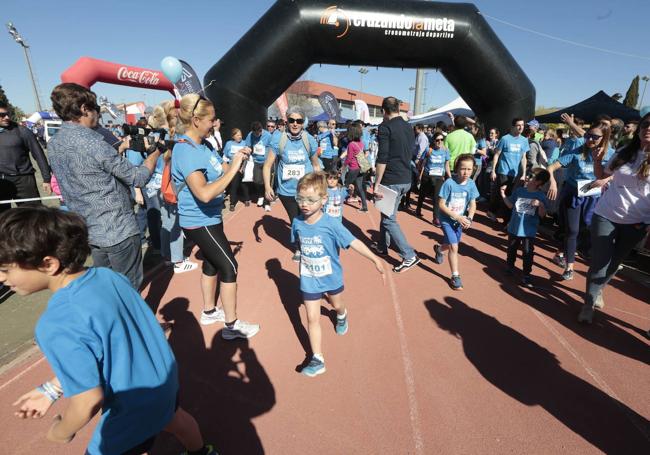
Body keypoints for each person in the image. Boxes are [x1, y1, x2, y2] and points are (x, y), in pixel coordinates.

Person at [1, 207, 216, 455]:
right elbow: (104, 347)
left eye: (6, 269)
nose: (2, 277)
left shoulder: (55, 324)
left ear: (48, 264)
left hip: (133, 407)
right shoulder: (107, 277)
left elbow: (87, 400)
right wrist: (50, 390)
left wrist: (61, 432)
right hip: (164, 380)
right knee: (174, 418)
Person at [48, 83, 160, 289]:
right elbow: (137, 177)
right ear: (84, 109)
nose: (98, 115)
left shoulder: (54, 143)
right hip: (117, 229)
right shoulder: (93, 143)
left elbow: (90, 168)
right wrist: (155, 154)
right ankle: (131, 322)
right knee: (128, 289)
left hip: (89, 229)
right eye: (96, 109)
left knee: (107, 289)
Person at [171, 94, 259, 337]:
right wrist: (232, 171)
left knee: (211, 263)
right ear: (196, 120)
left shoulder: (205, 145)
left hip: (210, 218)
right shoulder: (185, 150)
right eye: (211, 119)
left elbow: (222, 170)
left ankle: (209, 312)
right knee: (229, 266)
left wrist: (238, 159)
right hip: (198, 220)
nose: (215, 123)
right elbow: (204, 193)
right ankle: (232, 326)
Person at [291, 172, 385, 376]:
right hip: (309, 279)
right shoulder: (297, 222)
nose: (304, 204)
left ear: (324, 199)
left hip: (331, 276)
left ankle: (341, 315)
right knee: (311, 317)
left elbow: (354, 242)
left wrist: (375, 259)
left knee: (336, 304)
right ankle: (317, 358)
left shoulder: (331, 224)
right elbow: (298, 243)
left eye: (310, 199)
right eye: (300, 199)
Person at [577, 113, 650, 323]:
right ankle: (588, 305)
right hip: (606, 214)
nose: (648, 128)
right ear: (639, 129)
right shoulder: (624, 152)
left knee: (615, 263)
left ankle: (598, 288)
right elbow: (602, 176)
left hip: (637, 222)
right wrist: (598, 160)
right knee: (600, 261)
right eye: (645, 124)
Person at [547, 125, 612, 280]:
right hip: (573, 194)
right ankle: (569, 267)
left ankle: (561, 251)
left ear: (604, 138)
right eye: (588, 135)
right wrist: (552, 182)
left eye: (595, 137)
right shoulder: (577, 151)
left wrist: (605, 180)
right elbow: (551, 167)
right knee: (573, 230)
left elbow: (619, 173)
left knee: (584, 229)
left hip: (594, 197)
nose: (590, 139)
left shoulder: (610, 154)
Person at [263, 106, 320, 262]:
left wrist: (321, 187)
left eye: (299, 121)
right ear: (286, 121)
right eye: (292, 120)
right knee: (295, 220)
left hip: (306, 190)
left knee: (308, 218)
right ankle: (299, 248)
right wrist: (267, 186)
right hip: (286, 191)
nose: (295, 124)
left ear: (303, 122)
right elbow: (268, 165)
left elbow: (316, 165)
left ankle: (309, 244)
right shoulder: (278, 139)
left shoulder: (309, 139)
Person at [372, 96, 420, 273]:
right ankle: (383, 246)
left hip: (392, 180)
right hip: (406, 178)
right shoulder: (408, 127)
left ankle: (409, 255)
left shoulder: (385, 127)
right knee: (386, 214)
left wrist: (376, 182)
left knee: (388, 219)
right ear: (398, 109)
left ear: (384, 110)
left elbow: (382, 156)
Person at [432, 154, 479, 290]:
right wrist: (457, 217)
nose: (466, 172)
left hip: (460, 221)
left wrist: (469, 218)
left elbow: (473, 204)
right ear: (456, 168)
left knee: (450, 244)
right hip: (447, 219)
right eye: (463, 169)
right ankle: (455, 276)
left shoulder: (471, 184)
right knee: (454, 247)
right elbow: (441, 204)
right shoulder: (449, 183)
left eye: (469, 169)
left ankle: (439, 249)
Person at [0, 100, 52, 214]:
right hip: (2, 182)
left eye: (8, 114)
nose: (7, 117)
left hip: (24, 180)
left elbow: (39, 155)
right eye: (2, 115)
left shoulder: (22, 131)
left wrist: (46, 179)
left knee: (34, 216)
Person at [501, 168, 550, 287]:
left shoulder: (540, 196)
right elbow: (510, 205)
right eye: (528, 174)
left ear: (538, 182)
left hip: (529, 230)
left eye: (531, 175)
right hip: (514, 227)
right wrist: (503, 194)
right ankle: (510, 266)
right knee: (512, 248)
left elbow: (543, 215)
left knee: (528, 252)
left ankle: (526, 274)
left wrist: (541, 204)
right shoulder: (519, 191)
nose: (527, 176)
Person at [487, 118, 529, 225]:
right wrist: (493, 171)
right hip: (504, 171)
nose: (521, 127)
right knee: (503, 193)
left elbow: (524, 158)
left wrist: (524, 173)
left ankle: (505, 218)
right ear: (513, 126)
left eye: (522, 125)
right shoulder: (505, 139)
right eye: (518, 125)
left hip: (516, 173)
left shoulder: (524, 140)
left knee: (511, 195)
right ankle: (496, 214)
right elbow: (497, 154)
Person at [415, 132, 451, 226]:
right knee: (422, 193)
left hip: (439, 177)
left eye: (441, 140)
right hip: (427, 175)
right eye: (437, 140)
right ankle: (418, 208)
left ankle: (436, 218)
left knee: (437, 197)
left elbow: (446, 165)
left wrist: (450, 177)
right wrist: (420, 174)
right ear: (434, 141)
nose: (440, 142)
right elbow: (421, 162)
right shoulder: (429, 150)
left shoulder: (446, 151)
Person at [245, 121, 273, 211]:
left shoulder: (268, 135)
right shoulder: (250, 135)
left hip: (267, 162)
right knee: (257, 181)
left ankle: (267, 202)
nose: (257, 134)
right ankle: (261, 195)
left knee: (267, 183)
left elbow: (272, 148)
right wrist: (247, 151)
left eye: (259, 132)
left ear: (261, 130)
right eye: (255, 133)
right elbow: (248, 146)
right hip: (256, 161)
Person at [222, 128, 251, 211]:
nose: (240, 136)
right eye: (237, 135)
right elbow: (226, 156)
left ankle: (246, 199)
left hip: (242, 167)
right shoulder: (228, 144)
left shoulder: (244, 143)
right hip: (232, 167)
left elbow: (248, 155)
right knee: (234, 185)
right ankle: (232, 203)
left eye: (240, 135)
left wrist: (242, 166)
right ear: (233, 136)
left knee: (243, 184)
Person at [342, 123, 369, 212]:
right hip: (360, 168)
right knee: (360, 187)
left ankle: (337, 202)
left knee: (345, 185)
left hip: (353, 168)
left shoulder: (351, 144)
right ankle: (364, 207)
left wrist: (343, 166)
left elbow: (349, 158)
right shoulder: (360, 143)